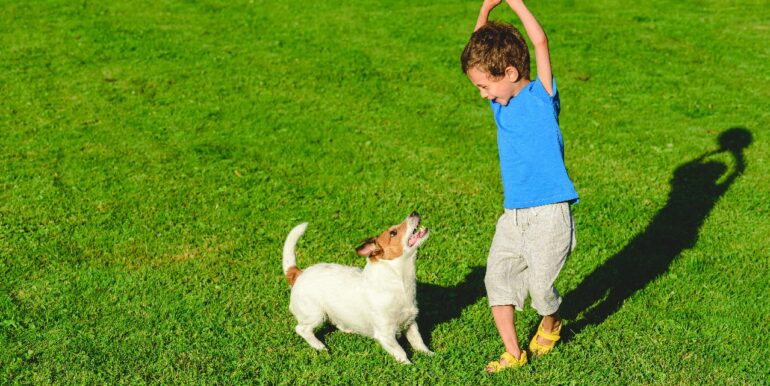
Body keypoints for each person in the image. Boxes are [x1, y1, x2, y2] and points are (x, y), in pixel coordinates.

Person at [460, 0, 579, 372]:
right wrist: (485, 8)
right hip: (512, 215)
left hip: (550, 212)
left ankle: (552, 320)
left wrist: (515, 2)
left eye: (484, 85)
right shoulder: (501, 105)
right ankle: (513, 352)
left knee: (541, 286)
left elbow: (540, 42)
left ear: (510, 72)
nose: (482, 94)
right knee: (496, 279)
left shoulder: (541, 97)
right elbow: (479, 47)